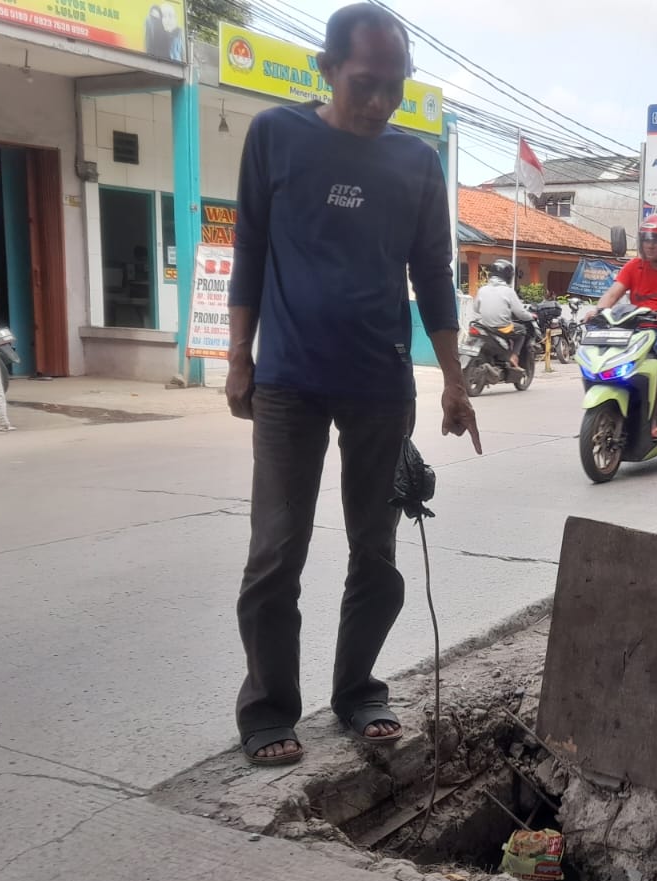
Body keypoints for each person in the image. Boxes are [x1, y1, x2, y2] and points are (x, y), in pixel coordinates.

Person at [225, 2, 481, 767]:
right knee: (277, 550)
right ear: (328, 70)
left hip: (379, 382)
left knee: (375, 550)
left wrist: (454, 382)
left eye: (393, 87)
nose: (378, 102)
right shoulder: (277, 137)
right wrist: (239, 355)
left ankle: (358, 687)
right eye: (365, 83)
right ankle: (269, 707)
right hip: (289, 380)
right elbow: (248, 249)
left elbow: (433, 275)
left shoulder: (416, 163)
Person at [593, 213, 657, 440]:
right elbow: (612, 293)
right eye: (646, 240)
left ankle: (655, 416)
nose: (650, 245)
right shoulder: (633, 266)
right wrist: (598, 310)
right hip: (636, 327)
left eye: (656, 240)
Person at [472, 259, 533, 371]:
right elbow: (520, 313)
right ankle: (514, 356)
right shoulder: (508, 291)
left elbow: (476, 309)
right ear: (508, 276)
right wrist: (531, 316)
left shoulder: (482, 289)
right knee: (522, 331)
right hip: (502, 328)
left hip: (484, 326)